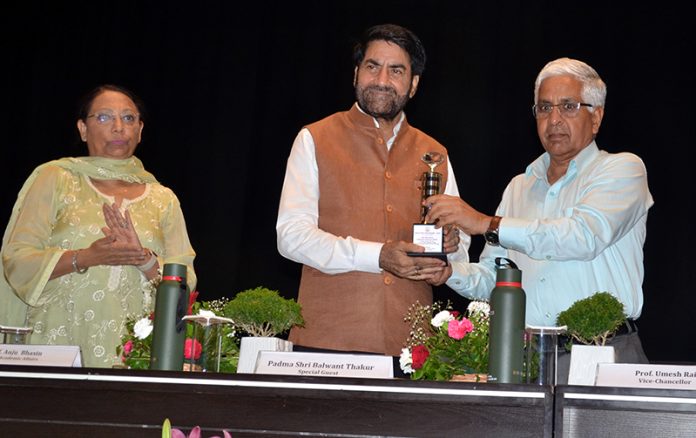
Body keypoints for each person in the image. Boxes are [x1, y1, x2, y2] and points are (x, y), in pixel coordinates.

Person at [424, 57, 654, 381]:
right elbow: (496, 279)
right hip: (525, 358)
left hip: (603, 352)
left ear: (596, 116)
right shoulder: (519, 187)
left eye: (568, 106)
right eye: (544, 108)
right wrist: (447, 271)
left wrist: (486, 223)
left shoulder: (623, 170)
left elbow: (581, 237)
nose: (554, 119)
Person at [276, 24, 469, 359]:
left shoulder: (435, 153)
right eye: (372, 66)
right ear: (355, 73)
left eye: (396, 71)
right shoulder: (315, 138)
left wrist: (449, 248)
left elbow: (460, 248)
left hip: (410, 349)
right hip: (327, 344)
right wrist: (377, 256)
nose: (382, 80)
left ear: (414, 84)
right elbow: (291, 236)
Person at [0, 84, 197, 367]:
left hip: (136, 353)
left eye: (129, 118)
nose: (119, 127)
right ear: (82, 128)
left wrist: (143, 260)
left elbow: (185, 281)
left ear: (140, 130)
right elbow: (17, 260)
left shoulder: (163, 198)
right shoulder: (55, 178)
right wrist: (87, 257)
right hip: (58, 345)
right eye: (104, 117)